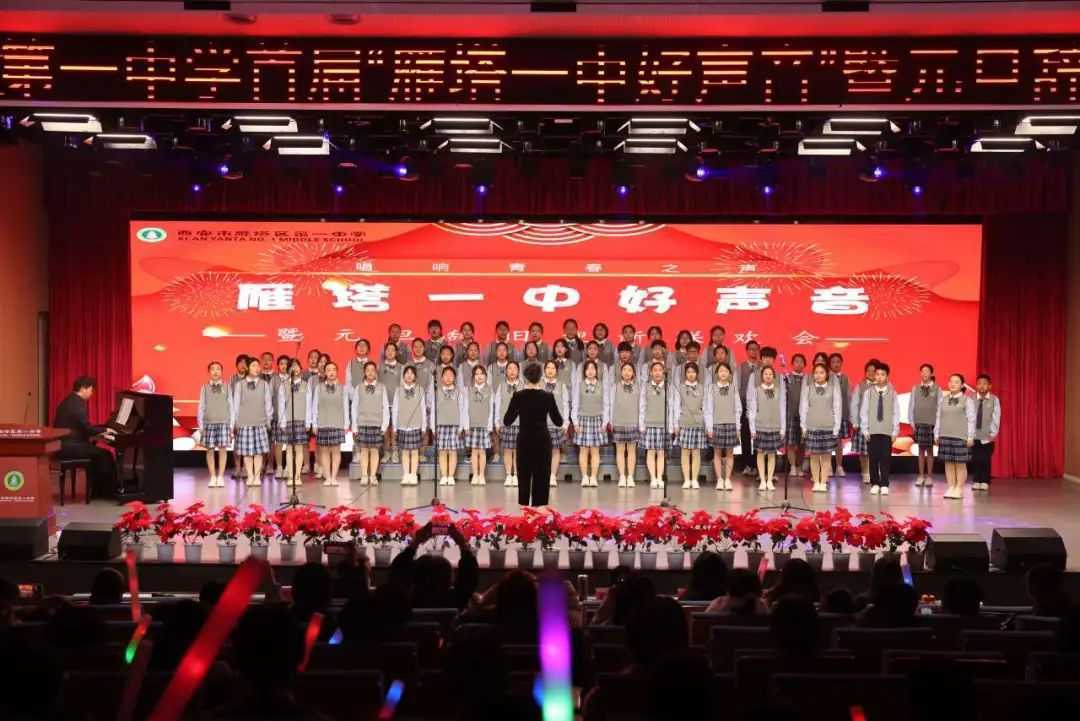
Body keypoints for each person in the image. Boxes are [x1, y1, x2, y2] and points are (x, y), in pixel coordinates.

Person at [502, 363, 564, 507]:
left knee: (524, 476)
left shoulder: (518, 396)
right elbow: (558, 421)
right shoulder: (548, 396)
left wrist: (518, 409)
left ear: (525, 377)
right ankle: (539, 512)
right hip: (542, 441)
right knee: (542, 477)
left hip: (524, 440)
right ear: (541, 377)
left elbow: (507, 420)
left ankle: (524, 512)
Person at [389, 521, 479, 611]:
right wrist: (461, 543)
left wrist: (416, 541)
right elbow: (470, 575)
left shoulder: (406, 600)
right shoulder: (457, 599)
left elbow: (397, 571)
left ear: (414, 576)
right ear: (449, 578)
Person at [52, 376, 118, 498]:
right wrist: (106, 430)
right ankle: (108, 492)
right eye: (91, 390)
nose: (91, 393)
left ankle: (98, 491)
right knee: (105, 455)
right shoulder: (77, 403)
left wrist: (98, 434)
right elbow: (87, 428)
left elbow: (81, 427)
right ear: (83, 388)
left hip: (64, 444)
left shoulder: (69, 400)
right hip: (70, 446)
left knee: (98, 453)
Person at [231, 359, 274, 488]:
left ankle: (257, 476)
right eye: (254, 365)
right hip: (245, 422)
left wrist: (268, 420)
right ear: (248, 368)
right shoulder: (240, 385)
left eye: (258, 366)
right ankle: (250, 475)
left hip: (260, 422)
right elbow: (236, 404)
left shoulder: (264, 385)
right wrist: (235, 422)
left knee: (259, 452)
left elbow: (268, 404)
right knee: (247, 452)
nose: (257, 368)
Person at [800, 362, 841, 493]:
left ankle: (823, 482)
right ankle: (816, 482)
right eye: (816, 373)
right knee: (814, 456)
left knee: (826, 457)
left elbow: (837, 408)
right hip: (812, 426)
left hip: (828, 426)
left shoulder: (833, 389)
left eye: (821, 372)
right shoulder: (808, 388)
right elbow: (803, 408)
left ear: (826, 374)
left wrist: (836, 427)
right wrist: (803, 426)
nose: (818, 375)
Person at [859, 362, 899, 495]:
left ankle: (885, 483)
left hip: (887, 430)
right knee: (873, 458)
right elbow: (864, 411)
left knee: (885, 458)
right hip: (873, 430)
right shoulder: (868, 393)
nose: (880, 377)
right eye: (877, 374)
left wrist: (895, 430)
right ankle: (875, 483)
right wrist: (865, 429)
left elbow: (896, 412)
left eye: (883, 374)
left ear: (887, 376)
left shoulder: (892, 393)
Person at [309, 361, 350, 488]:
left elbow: (345, 406)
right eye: (328, 370)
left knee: (336, 451)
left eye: (333, 370)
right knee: (324, 451)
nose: (331, 372)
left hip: (337, 423)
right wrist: (314, 423)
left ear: (337, 372)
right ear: (325, 373)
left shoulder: (343, 388)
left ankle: (334, 477)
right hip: (323, 423)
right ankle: (327, 477)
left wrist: (346, 424)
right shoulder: (319, 388)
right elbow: (315, 406)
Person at [935, 373, 976, 500]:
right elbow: (938, 417)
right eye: (951, 381)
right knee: (948, 463)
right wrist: (937, 433)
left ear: (962, 385)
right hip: (945, 434)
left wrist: (970, 436)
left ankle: (959, 488)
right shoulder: (943, 400)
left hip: (960, 436)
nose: (953, 384)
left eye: (956, 382)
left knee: (960, 463)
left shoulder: (967, 400)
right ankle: (951, 486)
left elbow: (971, 419)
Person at [747, 365, 786, 491]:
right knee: (760, 453)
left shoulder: (779, 391)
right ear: (762, 376)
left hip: (775, 426)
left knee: (772, 454)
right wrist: (752, 428)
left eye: (770, 374)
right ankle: (762, 480)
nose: (768, 376)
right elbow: (752, 410)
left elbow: (782, 409)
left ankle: (769, 480)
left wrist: (782, 428)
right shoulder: (756, 390)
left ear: (774, 377)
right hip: (760, 426)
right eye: (765, 374)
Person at [350, 360, 388, 487]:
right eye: (368, 370)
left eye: (373, 370)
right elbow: (354, 407)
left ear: (376, 372)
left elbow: (385, 407)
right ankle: (364, 475)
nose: (370, 373)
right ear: (364, 372)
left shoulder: (382, 387)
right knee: (364, 450)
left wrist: (384, 425)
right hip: (362, 423)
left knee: (375, 450)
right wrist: (354, 426)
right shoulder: (359, 387)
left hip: (377, 424)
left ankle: (373, 475)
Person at [572, 359, 610, 488]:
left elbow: (606, 404)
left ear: (596, 371)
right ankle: (584, 477)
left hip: (597, 420)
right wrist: (575, 422)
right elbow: (575, 404)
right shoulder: (580, 385)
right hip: (582, 420)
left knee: (595, 451)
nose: (590, 371)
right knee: (583, 450)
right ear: (584, 372)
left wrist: (605, 422)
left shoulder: (602, 385)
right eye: (588, 369)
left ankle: (593, 477)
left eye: (593, 368)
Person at [705, 362, 741, 491]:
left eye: (726, 371)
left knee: (730, 453)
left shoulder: (733, 388)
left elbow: (738, 408)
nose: (723, 373)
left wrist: (738, 427)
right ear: (717, 374)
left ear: (729, 374)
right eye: (721, 371)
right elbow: (708, 409)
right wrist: (709, 427)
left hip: (731, 423)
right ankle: (719, 479)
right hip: (716, 424)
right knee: (717, 453)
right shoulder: (712, 388)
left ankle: (728, 479)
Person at [197, 362, 233, 488]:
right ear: (209, 372)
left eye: (218, 369)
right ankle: (212, 476)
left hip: (224, 422)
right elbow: (201, 406)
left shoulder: (227, 387)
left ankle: (221, 476)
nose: (215, 371)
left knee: (223, 449)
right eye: (213, 369)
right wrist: (201, 425)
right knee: (210, 450)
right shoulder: (204, 387)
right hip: (209, 422)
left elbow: (231, 406)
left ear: (221, 372)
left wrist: (231, 424)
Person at [639, 361, 674, 490]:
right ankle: (653, 477)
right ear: (650, 373)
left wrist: (671, 425)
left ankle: (659, 477)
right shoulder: (646, 387)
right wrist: (642, 424)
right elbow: (642, 406)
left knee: (661, 452)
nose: (658, 372)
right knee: (651, 452)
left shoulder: (669, 387)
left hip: (663, 424)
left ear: (663, 372)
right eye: (655, 370)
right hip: (650, 423)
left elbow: (671, 407)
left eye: (660, 370)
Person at [673, 361, 706, 490]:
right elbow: (676, 406)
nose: (691, 374)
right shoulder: (680, 388)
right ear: (685, 374)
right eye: (688, 372)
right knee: (685, 452)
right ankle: (687, 479)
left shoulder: (702, 388)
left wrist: (705, 422)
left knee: (696, 453)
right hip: (684, 422)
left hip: (698, 423)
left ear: (697, 374)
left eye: (693, 372)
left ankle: (694, 479)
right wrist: (676, 424)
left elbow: (706, 406)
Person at [392, 365, 427, 486]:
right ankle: (406, 474)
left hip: (416, 425)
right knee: (405, 452)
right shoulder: (398, 390)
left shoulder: (420, 390)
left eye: (412, 373)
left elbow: (423, 408)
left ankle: (413, 474)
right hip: (402, 425)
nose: (409, 375)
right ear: (403, 376)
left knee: (415, 452)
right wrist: (395, 426)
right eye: (407, 373)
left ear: (415, 377)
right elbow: (395, 408)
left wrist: (423, 426)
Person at [277, 358, 309, 488]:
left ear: (300, 368)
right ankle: (290, 475)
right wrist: (282, 422)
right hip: (288, 420)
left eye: (297, 366)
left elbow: (309, 404)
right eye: (292, 366)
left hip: (301, 420)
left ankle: (297, 476)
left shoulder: (305, 385)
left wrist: (308, 421)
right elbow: (281, 404)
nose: (295, 369)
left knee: (299, 449)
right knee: (289, 449)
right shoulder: (284, 385)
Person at [433, 366, 466, 487]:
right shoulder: (437, 392)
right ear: (441, 378)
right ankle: (444, 475)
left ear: (454, 378)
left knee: (452, 451)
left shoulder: (458, 393)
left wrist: (461, 426)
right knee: (442, 451)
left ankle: (451, 476)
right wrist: (433, 426)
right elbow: (434, 410)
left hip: (454, 425)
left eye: (451, 375)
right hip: (441, 424)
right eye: (445, 375)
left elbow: (462, 410)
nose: (448, 377)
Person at [909, 363, 941, 489]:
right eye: (922, 371)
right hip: (919, 422)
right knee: (921, 450)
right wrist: (912, 422)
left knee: (930, 450)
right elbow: (912, 405)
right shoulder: (915, 388)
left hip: (932, 423)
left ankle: (929, 476)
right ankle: (921, 475)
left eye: (927, 371)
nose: (924, 374)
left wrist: (938, 424)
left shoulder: (937, 389)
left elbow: (940, 407)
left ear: (931, 374)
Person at [610, 360, 641, 488]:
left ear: (633, 373)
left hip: (633, 421)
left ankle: (630, 476)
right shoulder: (615, 386)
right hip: (619, 421)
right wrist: (611, 421)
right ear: (621, 372)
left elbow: (641, 405)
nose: (627, 372)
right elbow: (611, 404)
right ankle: (622, 476)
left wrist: (640, 422)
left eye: (629, 370)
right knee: (620, 450)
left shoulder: (638, 387)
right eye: (624, 370)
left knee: (632, 451)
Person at [969, 373, 1001, 493]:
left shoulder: (994, 399)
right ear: (976, 385)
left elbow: (996, 417)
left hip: (987, 435)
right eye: (979, 384)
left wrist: (993, 433)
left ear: (989, 386)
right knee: (975, 458)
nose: (982, 386)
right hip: (973, 435)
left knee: (985, 458)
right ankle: (976, 480)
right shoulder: (970, 399)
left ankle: (985, 481)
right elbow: (967, 416)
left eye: (984, 384)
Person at [541, 359, 570, 488]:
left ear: (556, 371)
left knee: (555, 451)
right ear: (544, 370)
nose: (550, 370)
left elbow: (565, 404)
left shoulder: (562, 385)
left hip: (556, 423)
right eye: (548, 368)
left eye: (553, 368)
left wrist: (565, 423)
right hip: (541, 424)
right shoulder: (538, 385)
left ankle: (552, 476)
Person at [849, 359, 879, 484]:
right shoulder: (860, 386)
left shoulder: (884, 387)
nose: (871, 373)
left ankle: (875, 471)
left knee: (876, 450)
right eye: (868, 371)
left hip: (878, 424)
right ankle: (865, 472)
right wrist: (855, 421)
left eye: (873, 371)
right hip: (863, 424)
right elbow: (854, 404)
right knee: (864, 451)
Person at [465, 365, 495, 486]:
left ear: (486, 376)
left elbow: (491, 409)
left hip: (484, 424)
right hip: (472, 424)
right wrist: (466, 425)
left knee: (482, 451)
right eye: (476, 374)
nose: (479, 376)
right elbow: (465, 408)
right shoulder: (468, 390)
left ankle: (481, 474)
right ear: (473, 377)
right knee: (474, 451)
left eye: (481, 374)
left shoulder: (490, 390)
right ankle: (475, 474)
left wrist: (490, 425)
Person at [495, 361, 523, 488]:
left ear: (518, 371)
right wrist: (497, 422)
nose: (512, 371)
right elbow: (497, 405)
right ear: (506, 371)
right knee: (507, 450)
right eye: (509, 368)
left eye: (514, 368)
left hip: (520, 423)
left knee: (518, 450)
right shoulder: (501, 386)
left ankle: (516, 475)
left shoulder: (523, 386)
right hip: (506, 422)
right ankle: (508, 475)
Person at [737, 340, 761, 477]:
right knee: (745, 436)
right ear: (747, 351)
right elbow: (738, 387)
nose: (753, 351)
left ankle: (758, 466)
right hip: (744, 405)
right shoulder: (741, 367)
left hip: (760, 407)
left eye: (756, 349)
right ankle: (747, 464)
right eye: (751, 349)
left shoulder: (762, 366)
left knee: (759, 436)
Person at [379, 341, 403, 464]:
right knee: (385, 428)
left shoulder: (402, 367)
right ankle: (387, 451)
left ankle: (395, 451)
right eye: (387, 350)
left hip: (396, 402)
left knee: (394, 428)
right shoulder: (378, 367)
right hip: (383, 402)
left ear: (396, 352)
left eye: (392, 350)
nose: (390, 352)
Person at [828, 352, 852, 478]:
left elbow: (848, 397)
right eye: (833, 362)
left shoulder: (845, 378)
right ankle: (828, 466)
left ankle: (839, 466)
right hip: (828, 415)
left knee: (838, 442)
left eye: (838, 362)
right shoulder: (826, 377)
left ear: (841, 363)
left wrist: (849, 416)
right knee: (828, 441)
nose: (836, 364)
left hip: (841, 414)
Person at [784, 354, 807, 478]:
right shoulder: (786, 378)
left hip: (804, 416)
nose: (799, 364)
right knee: (791, 443)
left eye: (801, 361)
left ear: (804, 364)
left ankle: (799, 466)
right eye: (796, 361)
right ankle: (792, 466)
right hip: (790, 415)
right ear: (792, 364)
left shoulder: (808, 379)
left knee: (802, 444)